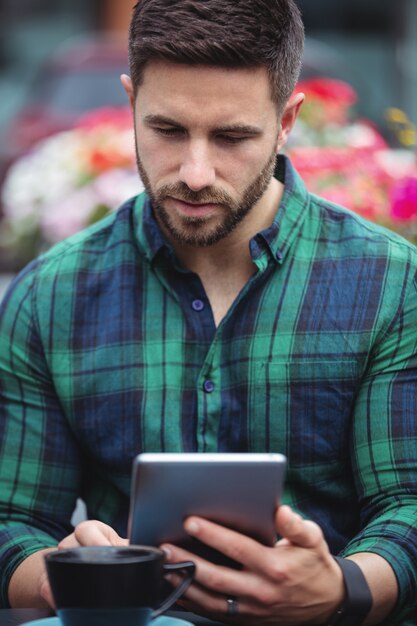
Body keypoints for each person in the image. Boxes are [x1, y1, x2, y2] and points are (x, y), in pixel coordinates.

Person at [0, 0, 416, 624]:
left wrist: (342, 588)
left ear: (287, 120)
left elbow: (407, 504)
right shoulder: (48, 296)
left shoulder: (390, 283)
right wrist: (63, 577)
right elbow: (14, 520)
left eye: (231, 136)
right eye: (167, 130)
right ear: (130, 101)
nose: (196, 173)